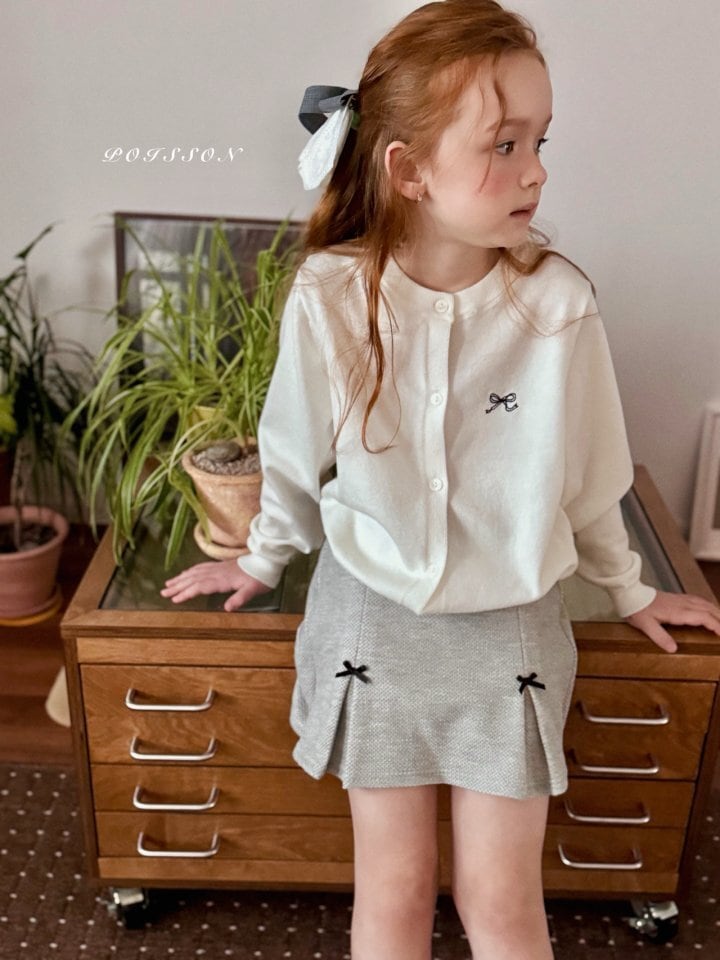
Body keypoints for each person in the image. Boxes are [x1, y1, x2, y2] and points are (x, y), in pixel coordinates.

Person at [162, 2, 720, 957]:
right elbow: (292, 451)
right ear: (407, 169)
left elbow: (591, 472)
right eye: (504, 144)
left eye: (540, 141)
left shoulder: (557, 302)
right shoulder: (331, 295)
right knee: (394, 888)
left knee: (502, 902)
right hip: (370, 624)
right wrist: (262, 559)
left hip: (510, 633)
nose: (537, 170)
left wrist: (630, 590)